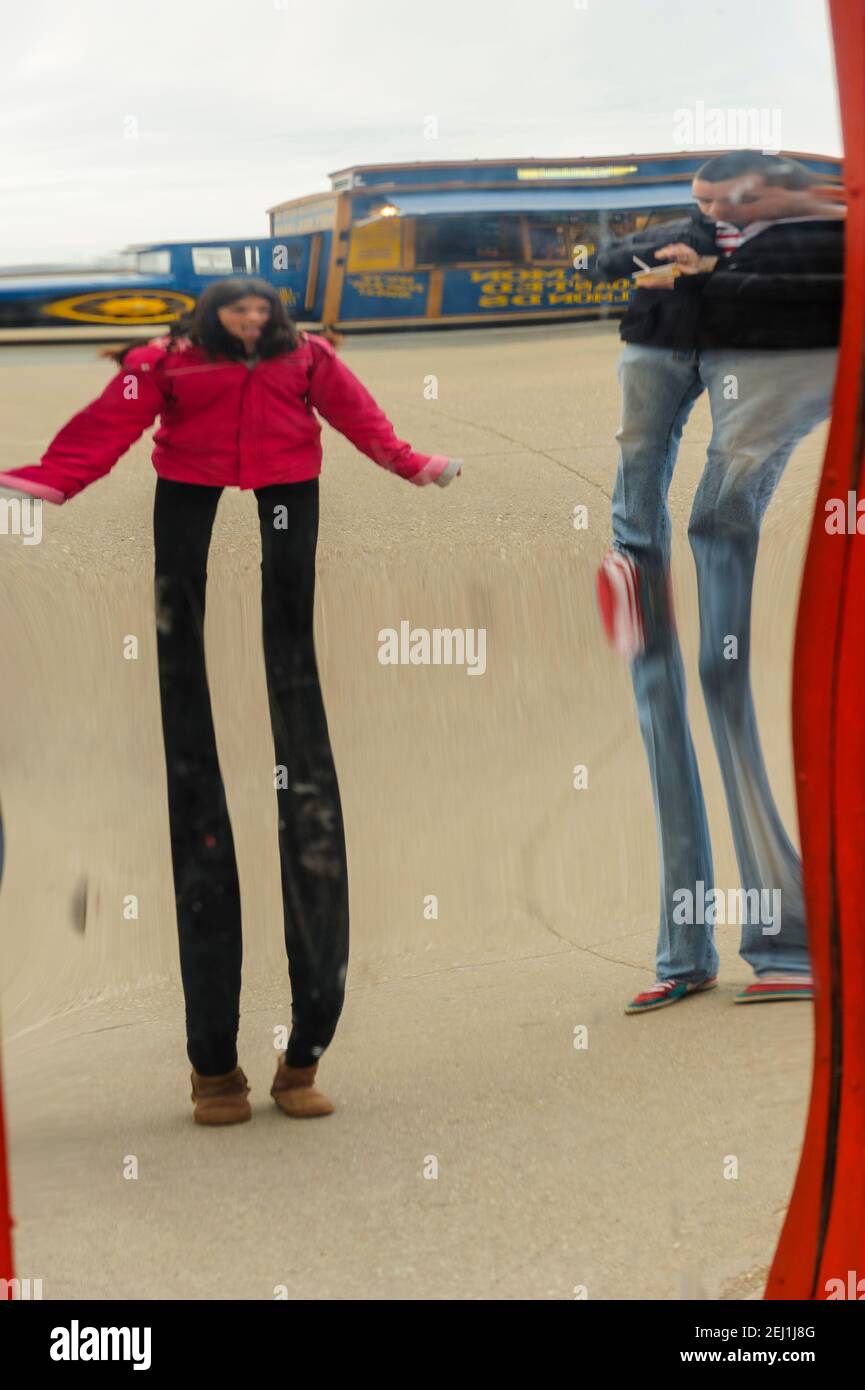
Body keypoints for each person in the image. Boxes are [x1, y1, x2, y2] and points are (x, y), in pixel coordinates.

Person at [0, 277, 462, 1121]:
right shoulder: (164, 361)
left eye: (260, 312)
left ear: (274, 317)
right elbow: (108, 425)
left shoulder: (308, 358)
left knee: (289, 644)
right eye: (236, 312)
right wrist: (51, 481)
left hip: (289, 481)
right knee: (181, 631)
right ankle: (213, 1071)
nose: (250, 322)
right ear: (212, 316)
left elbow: (360, 418)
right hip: (190, 478)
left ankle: (301, 1063)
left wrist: (412, 464)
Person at [594, 151, 844, 1013]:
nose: (708, 210)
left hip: (752, 384)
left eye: (723, 198)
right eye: (699, 200)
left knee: (718, 658)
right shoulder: (692, 231)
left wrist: (703, 280)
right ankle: (685, 950)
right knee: (638, 549)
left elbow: (814, 304)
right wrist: (657, 262)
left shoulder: (822, 235)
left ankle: (787, 943)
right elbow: (603, 262)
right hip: (658, 362)